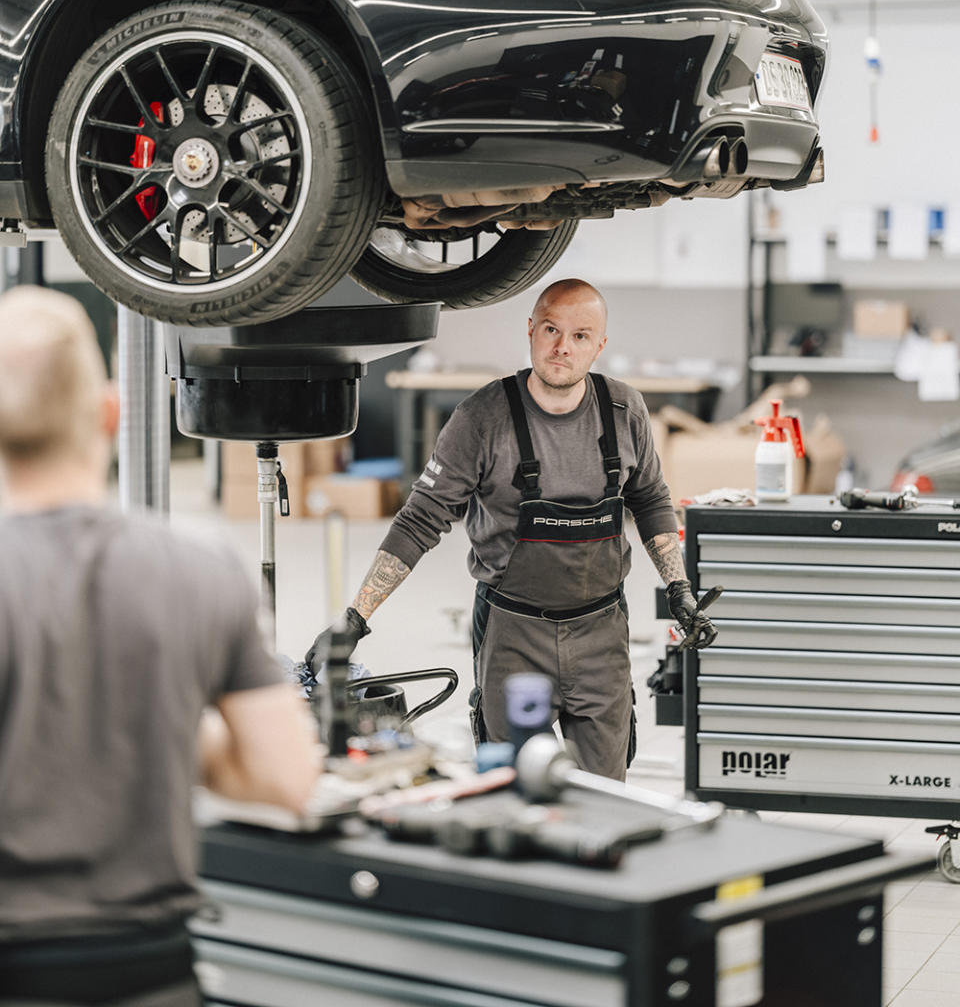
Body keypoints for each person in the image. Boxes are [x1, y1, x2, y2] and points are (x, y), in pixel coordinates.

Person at [0, 286, 317, 1007]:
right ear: (110, 413)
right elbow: (287, 778)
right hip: (154, 977)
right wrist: (157, 723)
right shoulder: (203, 571)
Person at [307, 278, 717, 782]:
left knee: (606, 791)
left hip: (602, 635)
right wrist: (355, 619)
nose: (563, 347)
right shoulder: (481, 419)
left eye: (581, 335)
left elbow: (652, 500)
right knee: (516, 788)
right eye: (550, 329)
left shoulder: (624, 410)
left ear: (600, 345)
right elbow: (420, 519)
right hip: (513, 636)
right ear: (530, 331)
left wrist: (678, 589)